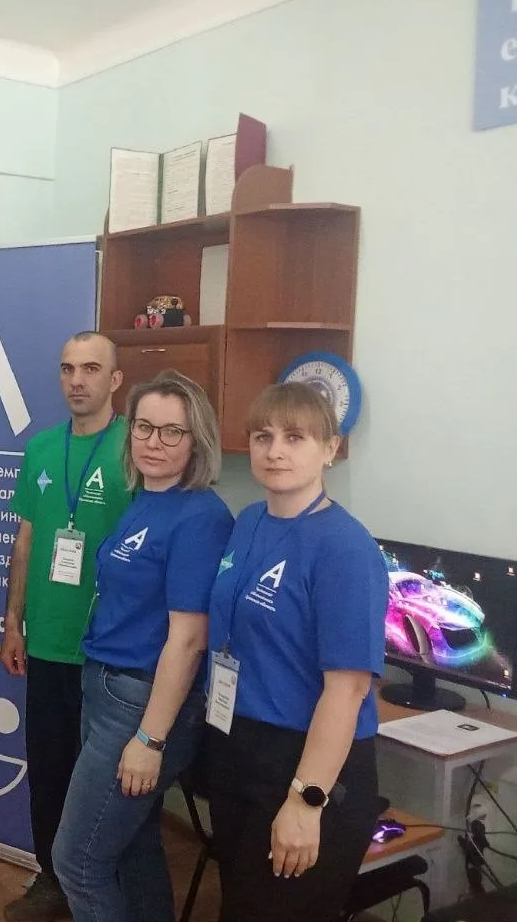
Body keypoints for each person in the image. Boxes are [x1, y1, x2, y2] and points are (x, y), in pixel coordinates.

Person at [52, 371, 234, 922]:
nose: (154, 442)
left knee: (78, 862)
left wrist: (150, 740)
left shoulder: (200, 516)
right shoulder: (146, 499)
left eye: (172, 432)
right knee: (133, 848)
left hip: (140, 704)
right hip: (106, 685)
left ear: (197, 441)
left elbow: (190, 638)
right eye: (144, 427)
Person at [206, 382, 387, 922]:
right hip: (239, 744)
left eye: (294, 437)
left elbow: (348, 690)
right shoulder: (248, 521)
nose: (275, 451)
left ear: (330, 449)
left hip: (308, 761)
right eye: (262, 436)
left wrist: (306, 802)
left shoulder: (346, 548)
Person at [0, 331, 131, 922]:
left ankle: (98, 889)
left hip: (110, 651)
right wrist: (13, 622)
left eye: (91, 369)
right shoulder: (41, 449)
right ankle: (50, 879)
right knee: (49, 769)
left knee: (100, 782)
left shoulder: (135, 449)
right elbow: (25, 540)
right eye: (68, 369)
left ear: (115, 380)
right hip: (47, 640)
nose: (77, 380)